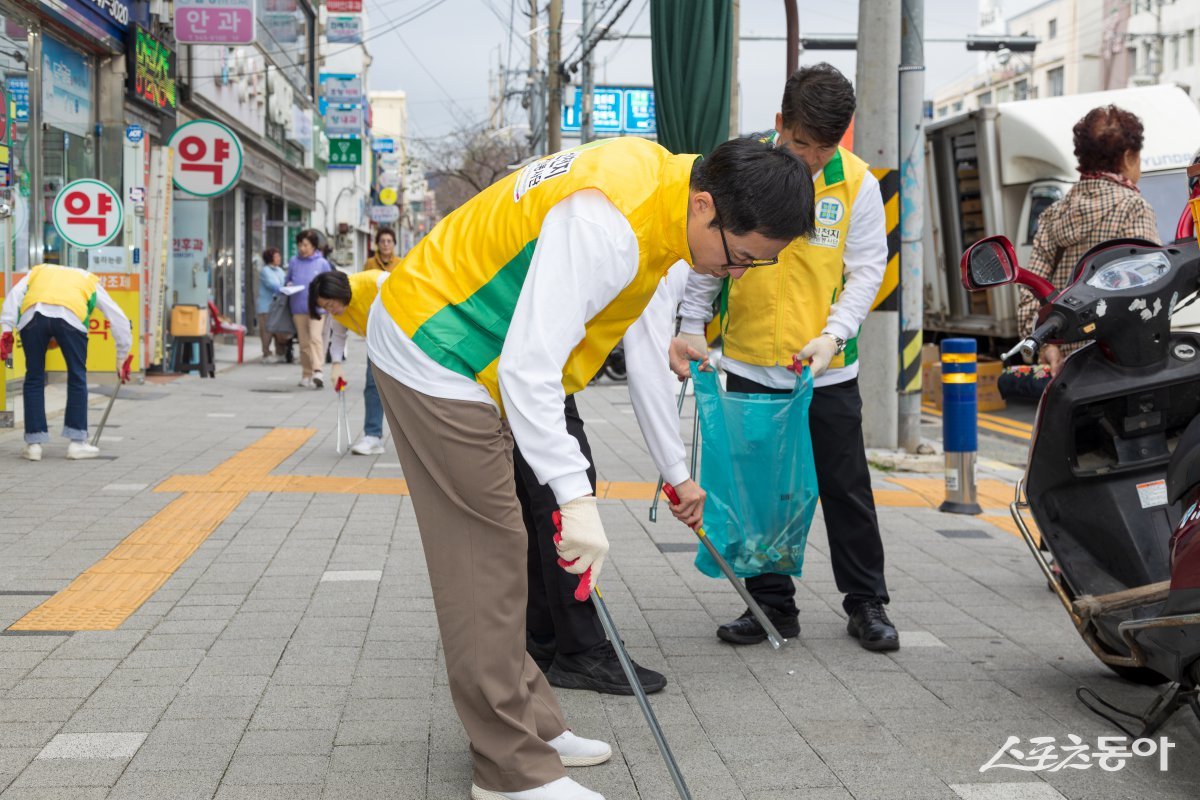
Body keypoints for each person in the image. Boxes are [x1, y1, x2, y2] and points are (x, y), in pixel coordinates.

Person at [366, 136, 814, 800]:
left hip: (476, 353)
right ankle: (508, 771)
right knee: (484, 559)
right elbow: (529, 366)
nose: (739, 273)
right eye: (742, 256)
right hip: (438, 349)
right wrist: (575, 498)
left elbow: (637, 346)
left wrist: (666, 470)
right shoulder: (609, 219)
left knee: (507, 549)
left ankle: (533, 724)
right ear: (706, 206)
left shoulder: (659, 197)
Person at [676, 63, 898, 653]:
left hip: (825, 369)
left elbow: (866, 270)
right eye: (800, 144)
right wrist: (691, 325)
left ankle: (866, 602)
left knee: (846, 486)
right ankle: (771, 604)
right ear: (780, 124)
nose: (811, 161)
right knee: (757, 490)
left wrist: (835, 333)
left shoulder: (856, 184)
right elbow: (708, 254)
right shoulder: (744, 171)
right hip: (749, 363)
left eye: (824, 149)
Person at [522, 264, 699, 697]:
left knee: (539, 499)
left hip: (528, 359)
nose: (736, 271)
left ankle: (542, 640)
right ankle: (580, 651)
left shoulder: (660, 217)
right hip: (518, 364)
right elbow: (645, 369)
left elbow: (644, 339)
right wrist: (678, 475)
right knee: (564, 499)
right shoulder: (660, 246)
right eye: (743, 259)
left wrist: (663, 343)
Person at [1017, 104, 1161, 377]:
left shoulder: (1053, 214)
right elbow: (1149, 290)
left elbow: (1029, 291)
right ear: (1129, 157)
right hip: (1118, 367)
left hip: (1067, 372)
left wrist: (1050, 348)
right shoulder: (1133, 208)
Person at [0, 263, 133, 461]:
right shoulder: (89, 280)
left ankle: (34, 444)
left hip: (33, 317)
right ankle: (77, 443)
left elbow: (14, 295)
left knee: (34, 377)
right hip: (70, 318)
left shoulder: (38, 271)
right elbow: (117, 317)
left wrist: (6, 329)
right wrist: (122, 356)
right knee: (77, 376)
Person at [308, 268, 388, 455]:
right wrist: (336, 365)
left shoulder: (375, 281)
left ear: (337, 292)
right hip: (377, 344)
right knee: (372, 385)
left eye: (330, 304)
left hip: (409, 337)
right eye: (325, 308)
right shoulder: (338, 313)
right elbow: (338, 337)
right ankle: (373, 436)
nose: (330, 311)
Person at [285, 230, 332, 388]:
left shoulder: (322, 263)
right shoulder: (293, 261)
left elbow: (329, 284)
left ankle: (318, 370)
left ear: (313, 246)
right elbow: (288, 280)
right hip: (297, 307)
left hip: (317, 308)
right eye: (300, 245)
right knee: (304, 343)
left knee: (315, 337)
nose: (302, 248)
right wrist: (289, 285)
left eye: (305, 245)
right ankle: (306, 373)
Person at [256, 248, 289, 363]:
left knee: (279, 330)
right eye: (276, 256)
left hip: (278, 306)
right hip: (266, 306)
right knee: (266, 331)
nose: (279, 258)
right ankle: (266, 354)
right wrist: (285, 288)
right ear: (270, 258)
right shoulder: (265, 271)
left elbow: (285, 282)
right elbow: (272, 285)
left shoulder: (280, 270)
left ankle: (281, 353)